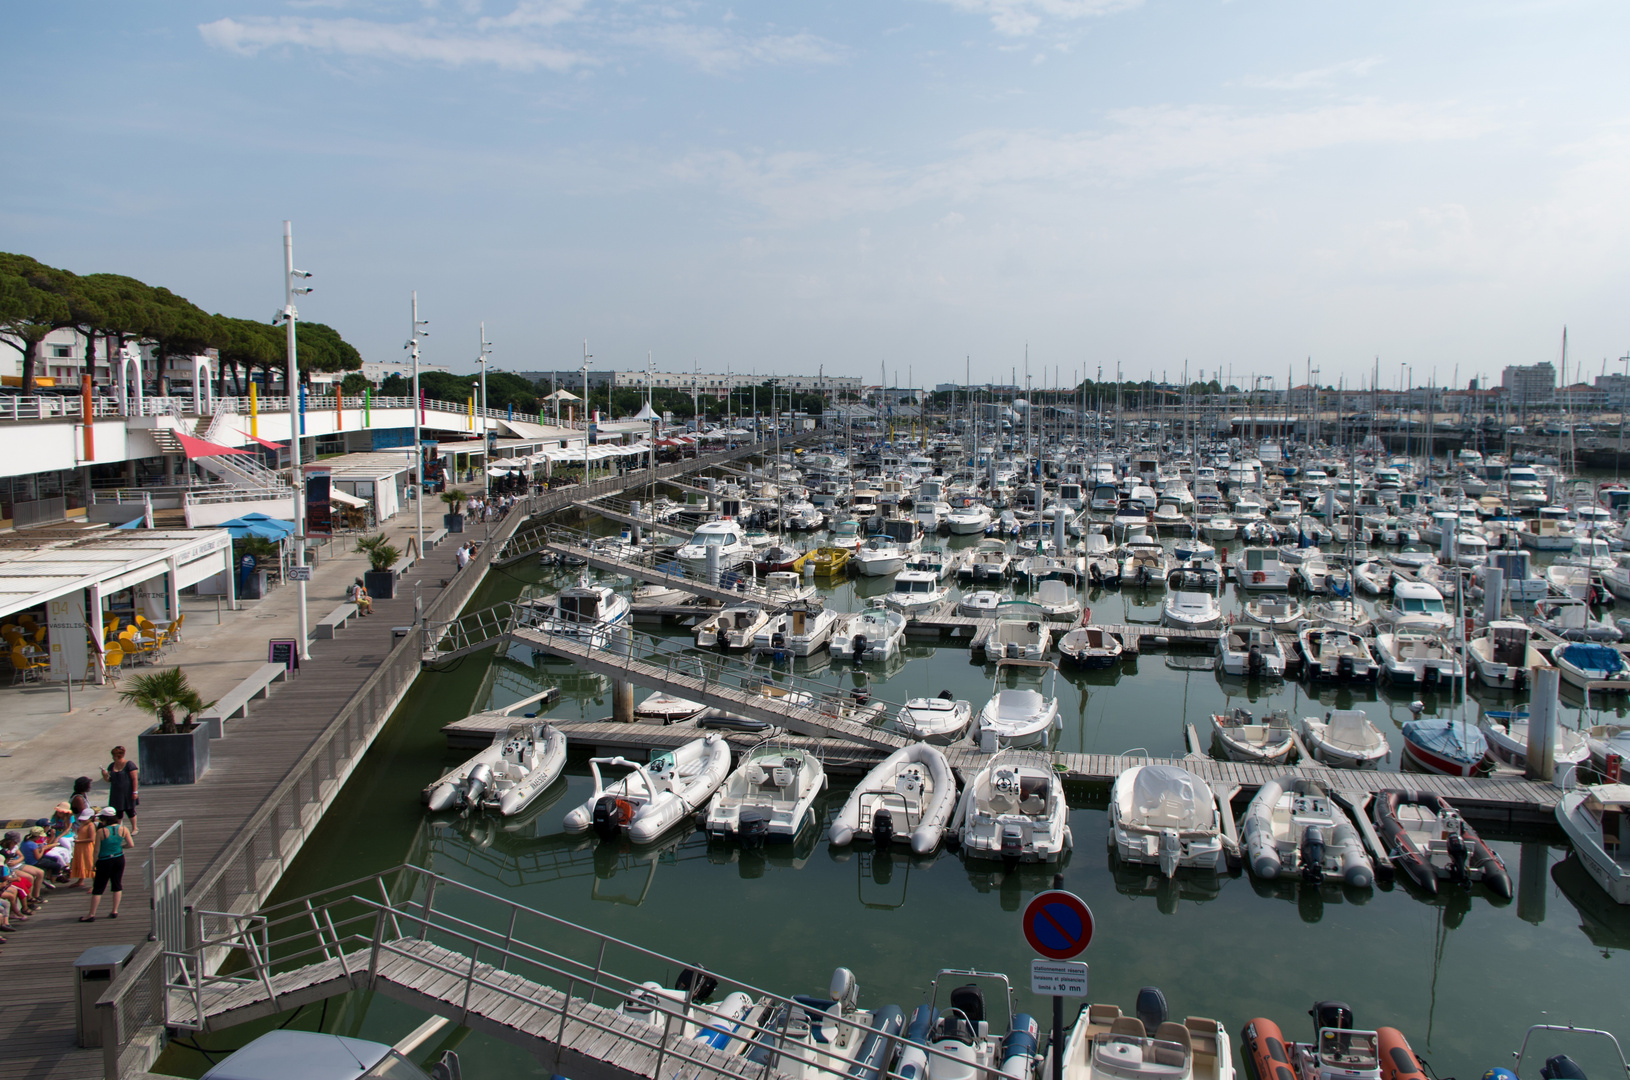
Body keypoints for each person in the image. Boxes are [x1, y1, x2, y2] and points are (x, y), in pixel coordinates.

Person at [81, 808, 132, 920]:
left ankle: (92, 914)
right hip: (119, 858)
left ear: (105, 819)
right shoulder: (123, 829)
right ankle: (114, 911)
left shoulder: (101, 832)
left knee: (98, 887)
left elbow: (96, 850)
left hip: (105, 860)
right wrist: (120, 847)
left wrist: (94, 863)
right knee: (117, 884)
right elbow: (130, 844)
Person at [102, 746, 138, 834]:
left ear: (119, 756)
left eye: (114, 756)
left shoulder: (129, 764)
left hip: (127, 792)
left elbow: (134, 778)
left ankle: (134, 828)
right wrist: (104, 775)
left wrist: (135, 791)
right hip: (116, 793)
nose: (112, 758)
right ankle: (119, 829)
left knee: (130, 810)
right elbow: (108, 780)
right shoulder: (112, 766)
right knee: (118, 812)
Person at [69, 808, 96, 889]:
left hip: (87, 847)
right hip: (80, 847)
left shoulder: (91, 825)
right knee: (81, 863)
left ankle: (95, 884)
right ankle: (80, 880)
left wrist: (79, 841)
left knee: (89, 864)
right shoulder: (82, 824)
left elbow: (91, 839)